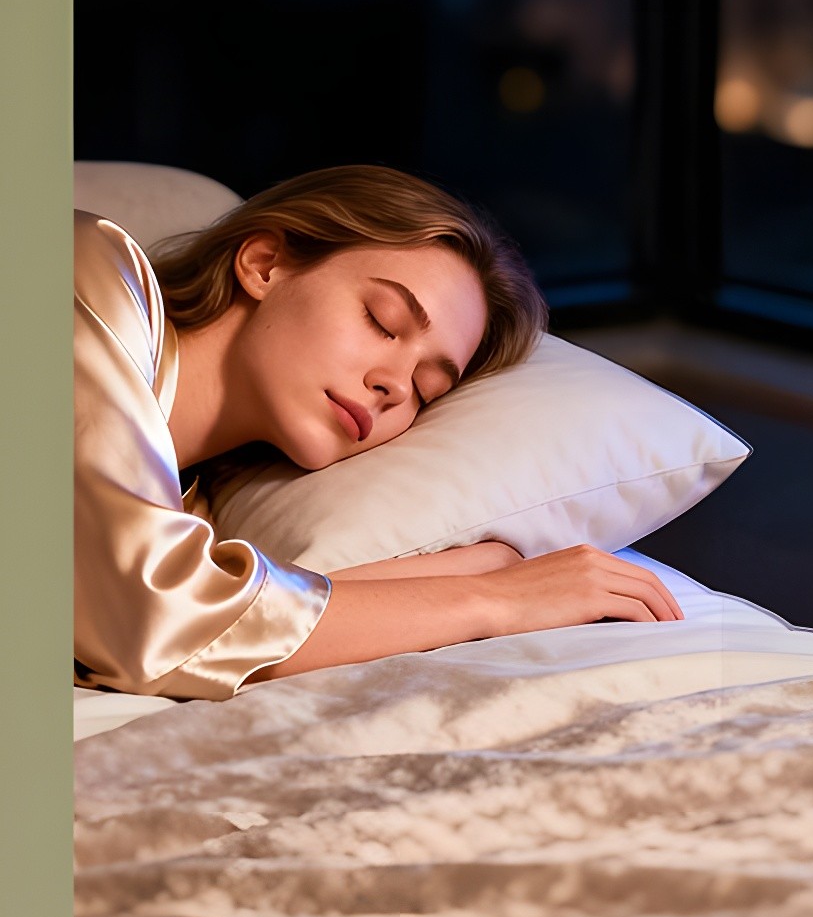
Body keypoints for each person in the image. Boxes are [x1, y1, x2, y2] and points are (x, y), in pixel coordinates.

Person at [74, 164, 681, 701]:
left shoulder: (189, 506)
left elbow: (227, 606)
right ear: (264, 264)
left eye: (427, 387)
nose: (395, 385)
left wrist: (482, 569)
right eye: (382, 321)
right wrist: (496, 602)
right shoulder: (86, 272)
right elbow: (157, 615)